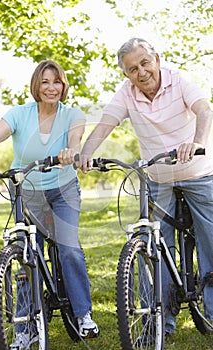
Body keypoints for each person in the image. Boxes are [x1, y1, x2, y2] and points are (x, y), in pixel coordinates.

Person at [80, 38, 213, 337]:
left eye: (144, 63)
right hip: (157, 178)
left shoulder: (179, 80)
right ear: (126, 75)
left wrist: (198, 142)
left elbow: (204, 110)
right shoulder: (127, 94)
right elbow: (105, 124)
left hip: (199, 172)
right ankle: (157, 324)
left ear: (157, 58)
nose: (141, 72)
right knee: (152, 249)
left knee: (211, 242)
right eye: (132, 69)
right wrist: (87, 151)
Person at [0, 60, 99, 348]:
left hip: (63, 191)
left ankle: (84, 314)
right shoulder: (19, 114)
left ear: (63, 86)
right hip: (26, 190)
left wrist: (71, 151)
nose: (51, 87)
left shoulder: (73, 114)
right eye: (45, 82)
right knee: (24, 257)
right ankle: (24, 327)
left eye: (56, 81)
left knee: (69, 248)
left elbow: (76, 137)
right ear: (36, 85)